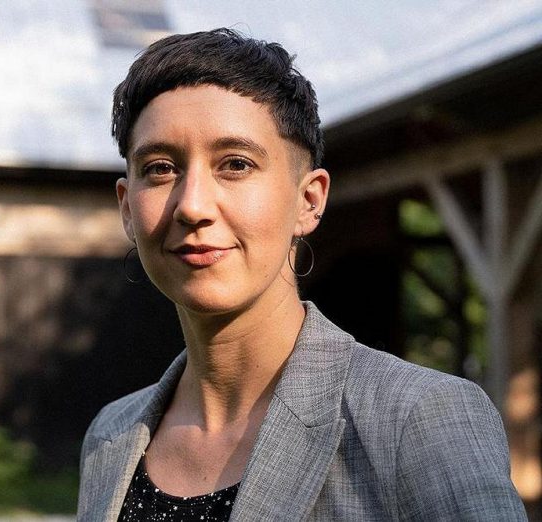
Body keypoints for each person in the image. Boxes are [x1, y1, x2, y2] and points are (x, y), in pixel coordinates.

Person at [77, 28, 526, 521]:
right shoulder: (110, 437)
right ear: (127, 207)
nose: (193, 206)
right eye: (160, 168)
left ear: (308, 201)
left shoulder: (419, 420)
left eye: (235, 164)